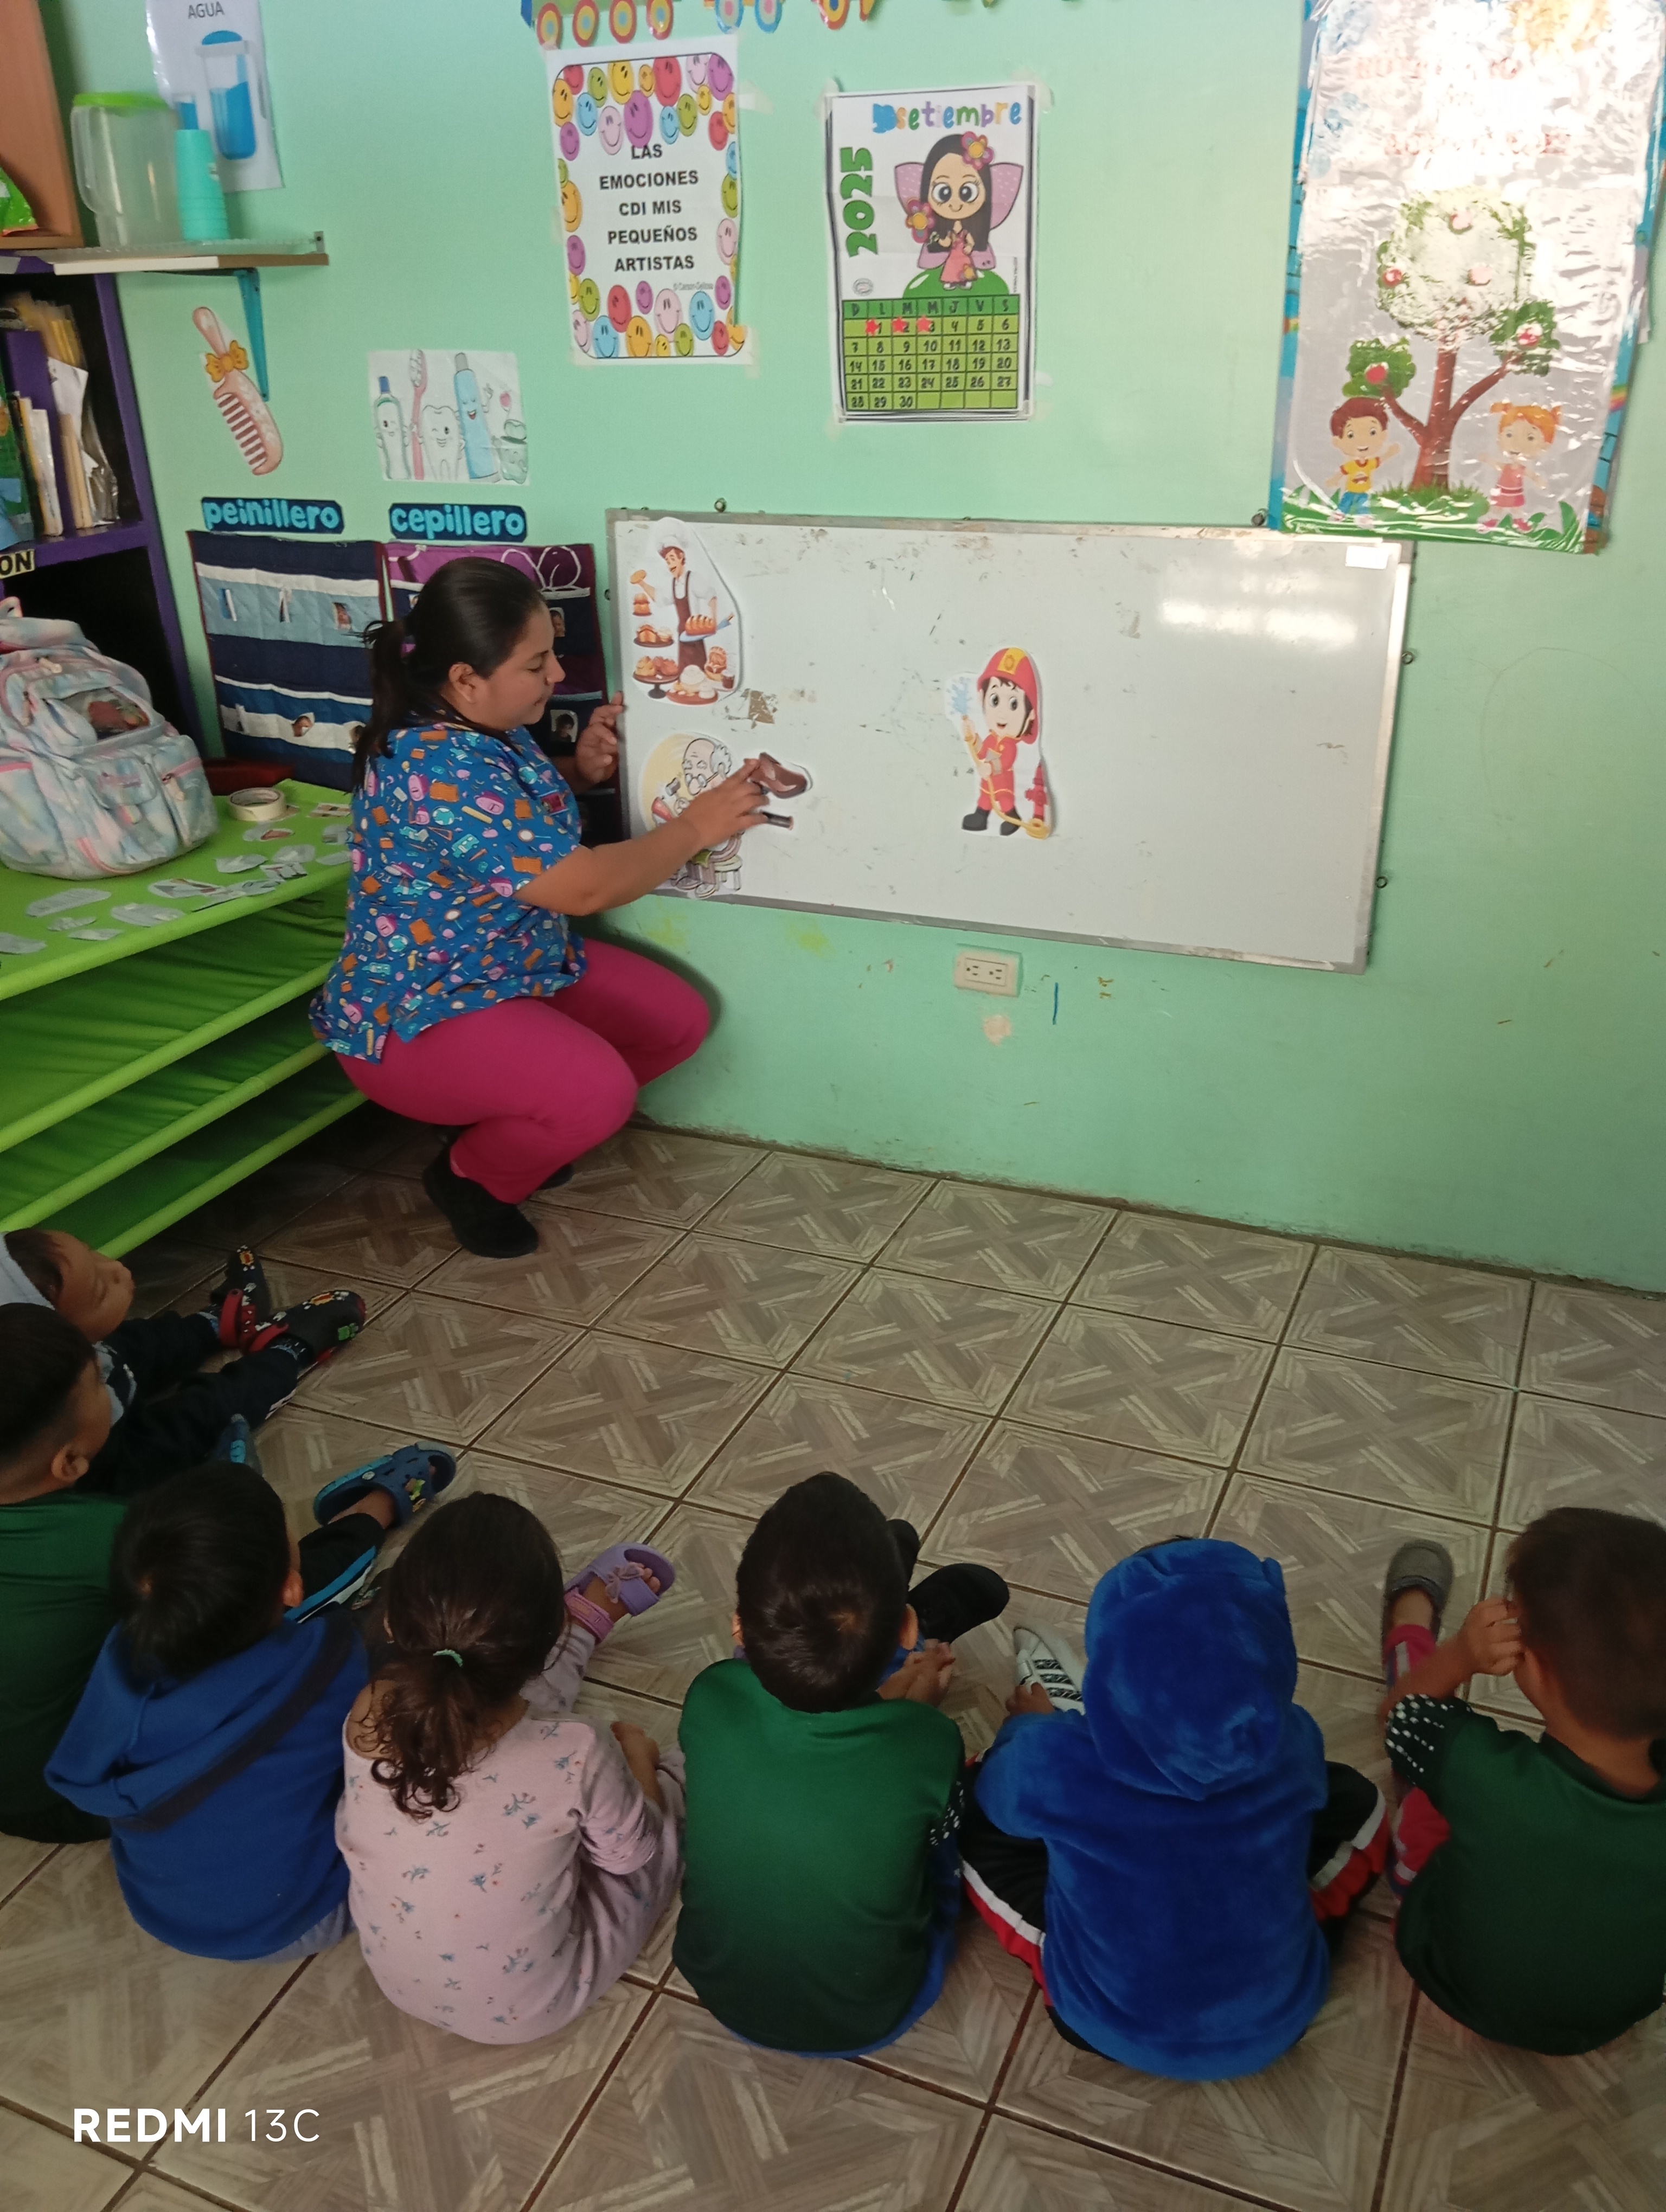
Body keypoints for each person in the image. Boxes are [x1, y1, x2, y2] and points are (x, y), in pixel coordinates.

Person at [309, 558, 772, 1259]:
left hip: (515, 962)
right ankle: (472, 1176)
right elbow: (585, 888)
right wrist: (696, 828)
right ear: (467, 678)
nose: (557, 674)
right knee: (598, 1095)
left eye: (551, 654)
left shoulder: (476, 724)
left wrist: (579, 771)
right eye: (536, 664)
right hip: (421, 1008)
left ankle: (511, 1129)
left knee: (677, 1023)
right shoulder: (436, 765)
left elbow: (504, 811)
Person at [959, 1539, 1387, 2081]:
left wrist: (1027, 1728)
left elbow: (998, 1796)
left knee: (971, 1811)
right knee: (1357, 1800)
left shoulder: (1052, 1758)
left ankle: (1074, 1721)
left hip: (1105, 2023)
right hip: (1278, 2022)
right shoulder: (1294, 1741)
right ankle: (1291, 1924)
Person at [45, 1445, 453, 1961]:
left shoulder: (121, 1655)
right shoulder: (326, 1663)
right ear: (292, 1588)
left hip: (161, 1908)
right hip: (299, 1920)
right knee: (421, 1687)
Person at [674, 1472, 1010, 2056]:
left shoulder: (711, 1694)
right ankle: (887, 1613)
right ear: (907, 1631)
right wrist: (913, 1718)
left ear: (739, 1627)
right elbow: (929, 1849)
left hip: (720, 1989)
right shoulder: (929, 1741)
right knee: (980, 1805)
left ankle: (864, 1605)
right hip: (875, 2013)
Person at [337, 1495, 683, 2044]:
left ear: (392, 1622)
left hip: (401, 1984)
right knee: (665, 1818)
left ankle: (582, 1633)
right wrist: (641, 1761)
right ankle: (722, 1731)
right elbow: (631, 1854)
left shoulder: (369, 1709)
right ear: (544, 1645)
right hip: (534, 2005)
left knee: (486, 1704)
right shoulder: (578, 1748)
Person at [1380, 1512, 1666, 2054]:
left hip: (1450, 1974)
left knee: (1424, 1788)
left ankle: (1409, 1628)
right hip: (1600, 2021)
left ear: (1535, 1666)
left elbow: (1397, 1716)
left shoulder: (1482, 1772)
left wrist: (1461, 1655)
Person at [1, 1229, 363, 1499]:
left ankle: (218, 1323)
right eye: (100, 1291)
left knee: (134, 1343)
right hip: (118, 1462)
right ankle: (286, 1353)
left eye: (94, 1254)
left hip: (88, 1408)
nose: (116, 1268)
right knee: (200, 1412)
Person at [0, 1307, 124, 1840]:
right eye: (99, 1383)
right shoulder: (109, 1537)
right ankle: (364, 1517)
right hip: (59, 1800)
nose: (109, 1382)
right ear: (69, 1463)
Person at [1326, 397, 1400, 517]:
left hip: (1364, 491)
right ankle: (1340, 514)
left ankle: (1364, 517)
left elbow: (1380, 460)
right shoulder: (1351, 465)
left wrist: (1390, 453)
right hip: (1351, 490)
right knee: (1347, 501)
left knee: (1363, 503)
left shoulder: (1370, 463)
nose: (1362, 441)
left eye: (1372, 432)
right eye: (1351, 435)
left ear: (1384, 435)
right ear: (1337, 441)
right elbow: (1342, 472)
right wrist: (1334, 480)